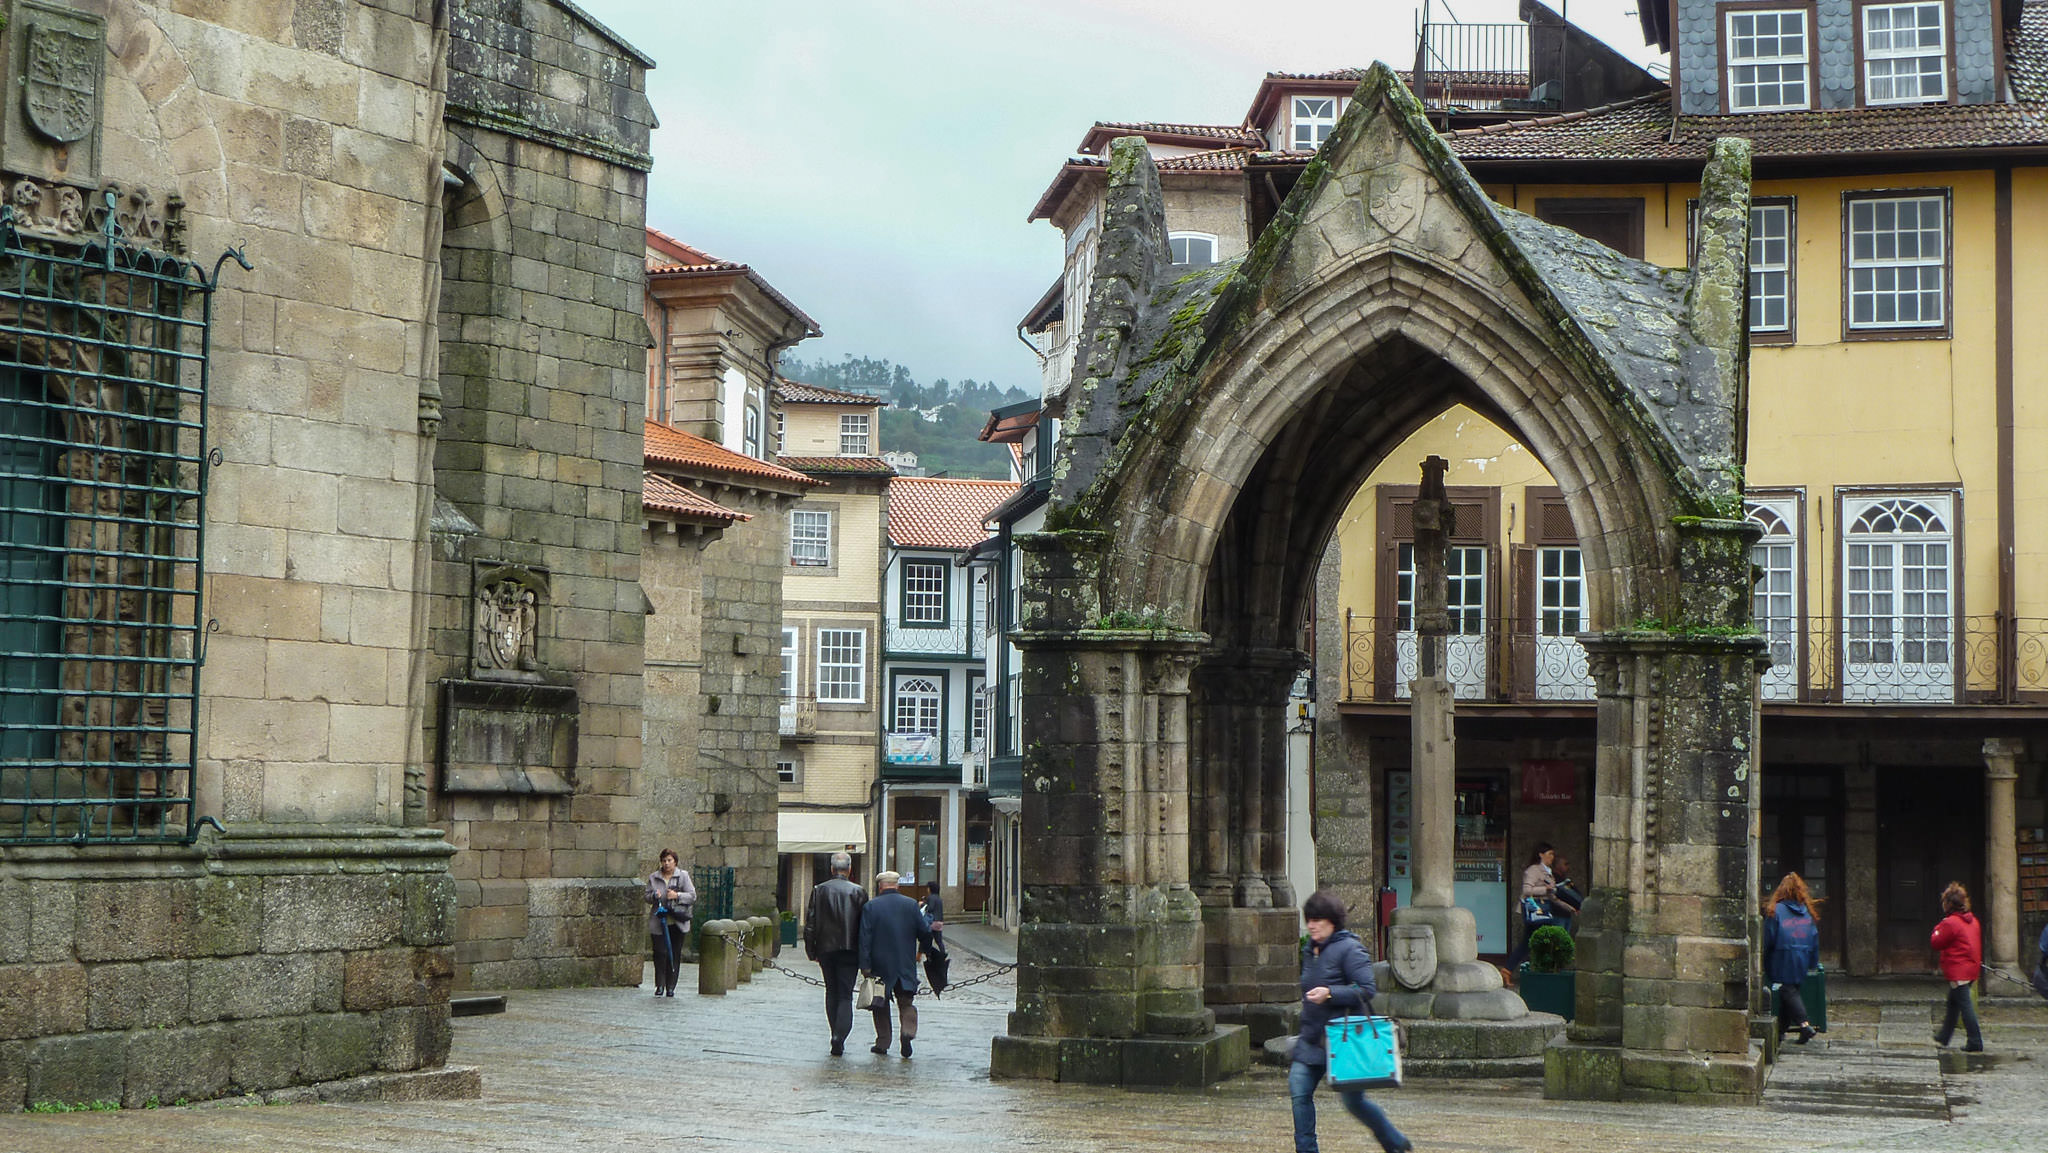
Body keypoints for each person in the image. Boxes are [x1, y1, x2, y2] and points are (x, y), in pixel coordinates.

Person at [1288, 890, 1412, 1153]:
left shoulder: (1350, 948)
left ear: (1332, 921)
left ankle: (1395, 1142)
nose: (1311, 925)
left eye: (1317, 920)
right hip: (1311, 1039)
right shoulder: (1310, 950)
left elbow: (1367, 989)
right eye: (1309, 919)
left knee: (1354, 1103)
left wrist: (1330, 993)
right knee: (1299, 1093)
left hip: (1343, 1040)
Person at [859, 870, 935, 1057]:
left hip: (880, 965)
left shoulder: (871, 907)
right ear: (897, 885)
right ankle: (907, 1032)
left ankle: (883, 1042)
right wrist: (923, 950)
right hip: (904, 963)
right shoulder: (911, 905)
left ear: (880, 886)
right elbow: (925, 932)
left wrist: (865, 965)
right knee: (906, 1002)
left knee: (880, 1004)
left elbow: (864, 938)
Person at [802, 851, 868, 1056]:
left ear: (832, 869)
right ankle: (840, 1036)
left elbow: (810, 923)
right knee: (845, 994)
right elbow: (865, 926)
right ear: (849, 869)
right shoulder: (859, 892)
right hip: (851, 949)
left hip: (826, 948)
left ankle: (835, 1033)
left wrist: (811, 950)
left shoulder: (819, 890)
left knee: (831, 991)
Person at [1762, 872, 1820, 1044]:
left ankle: (1804, 1025)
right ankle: (1780, 1032)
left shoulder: (1776, 911)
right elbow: (1814, 937)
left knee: (1787, 991)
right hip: (1802, 956)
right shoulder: (1806, 913)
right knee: (1790, 992)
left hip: (1782, 957)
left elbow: (1768, 937)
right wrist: (1813, 962)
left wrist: (1764, 957)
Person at [1930, 881, 1984, 1052]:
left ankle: (1975, 1040)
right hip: (1970, 967)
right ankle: (1944, 1036)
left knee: (1964, 1004)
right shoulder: (1972, 920)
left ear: (1948, 903)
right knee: (1953, 1002)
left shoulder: (1951, 923)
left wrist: (1938, 928)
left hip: (1958, 969)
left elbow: (1936, 941)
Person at [1505, 843, 1569, 973]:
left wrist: (1568, 907)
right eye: (1549, 854)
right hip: (1535, 910)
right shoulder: (1534, 870)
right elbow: (1527, 889)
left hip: (1544, 909)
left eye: (1553, 854)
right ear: (1541, 854)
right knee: (1540, 942)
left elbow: (1552, 896)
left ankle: (1508, 970)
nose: (1552, 857)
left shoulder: (1548, 872)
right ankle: (1538, 970)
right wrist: (1545, 888)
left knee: (1528, 943)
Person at [644, 849, 695, 998]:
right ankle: (660, 985)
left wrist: (677, 895)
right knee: (660, 953)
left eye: (669, 861)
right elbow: (646, 896)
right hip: (659, 922)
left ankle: (671, 986)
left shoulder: (683, 876)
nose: (666, 864)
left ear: (675, 862)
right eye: (664, 861)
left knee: (674, 953)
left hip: (677, 921)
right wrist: (653, 895)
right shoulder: (654, 878)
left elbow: (692, 896)